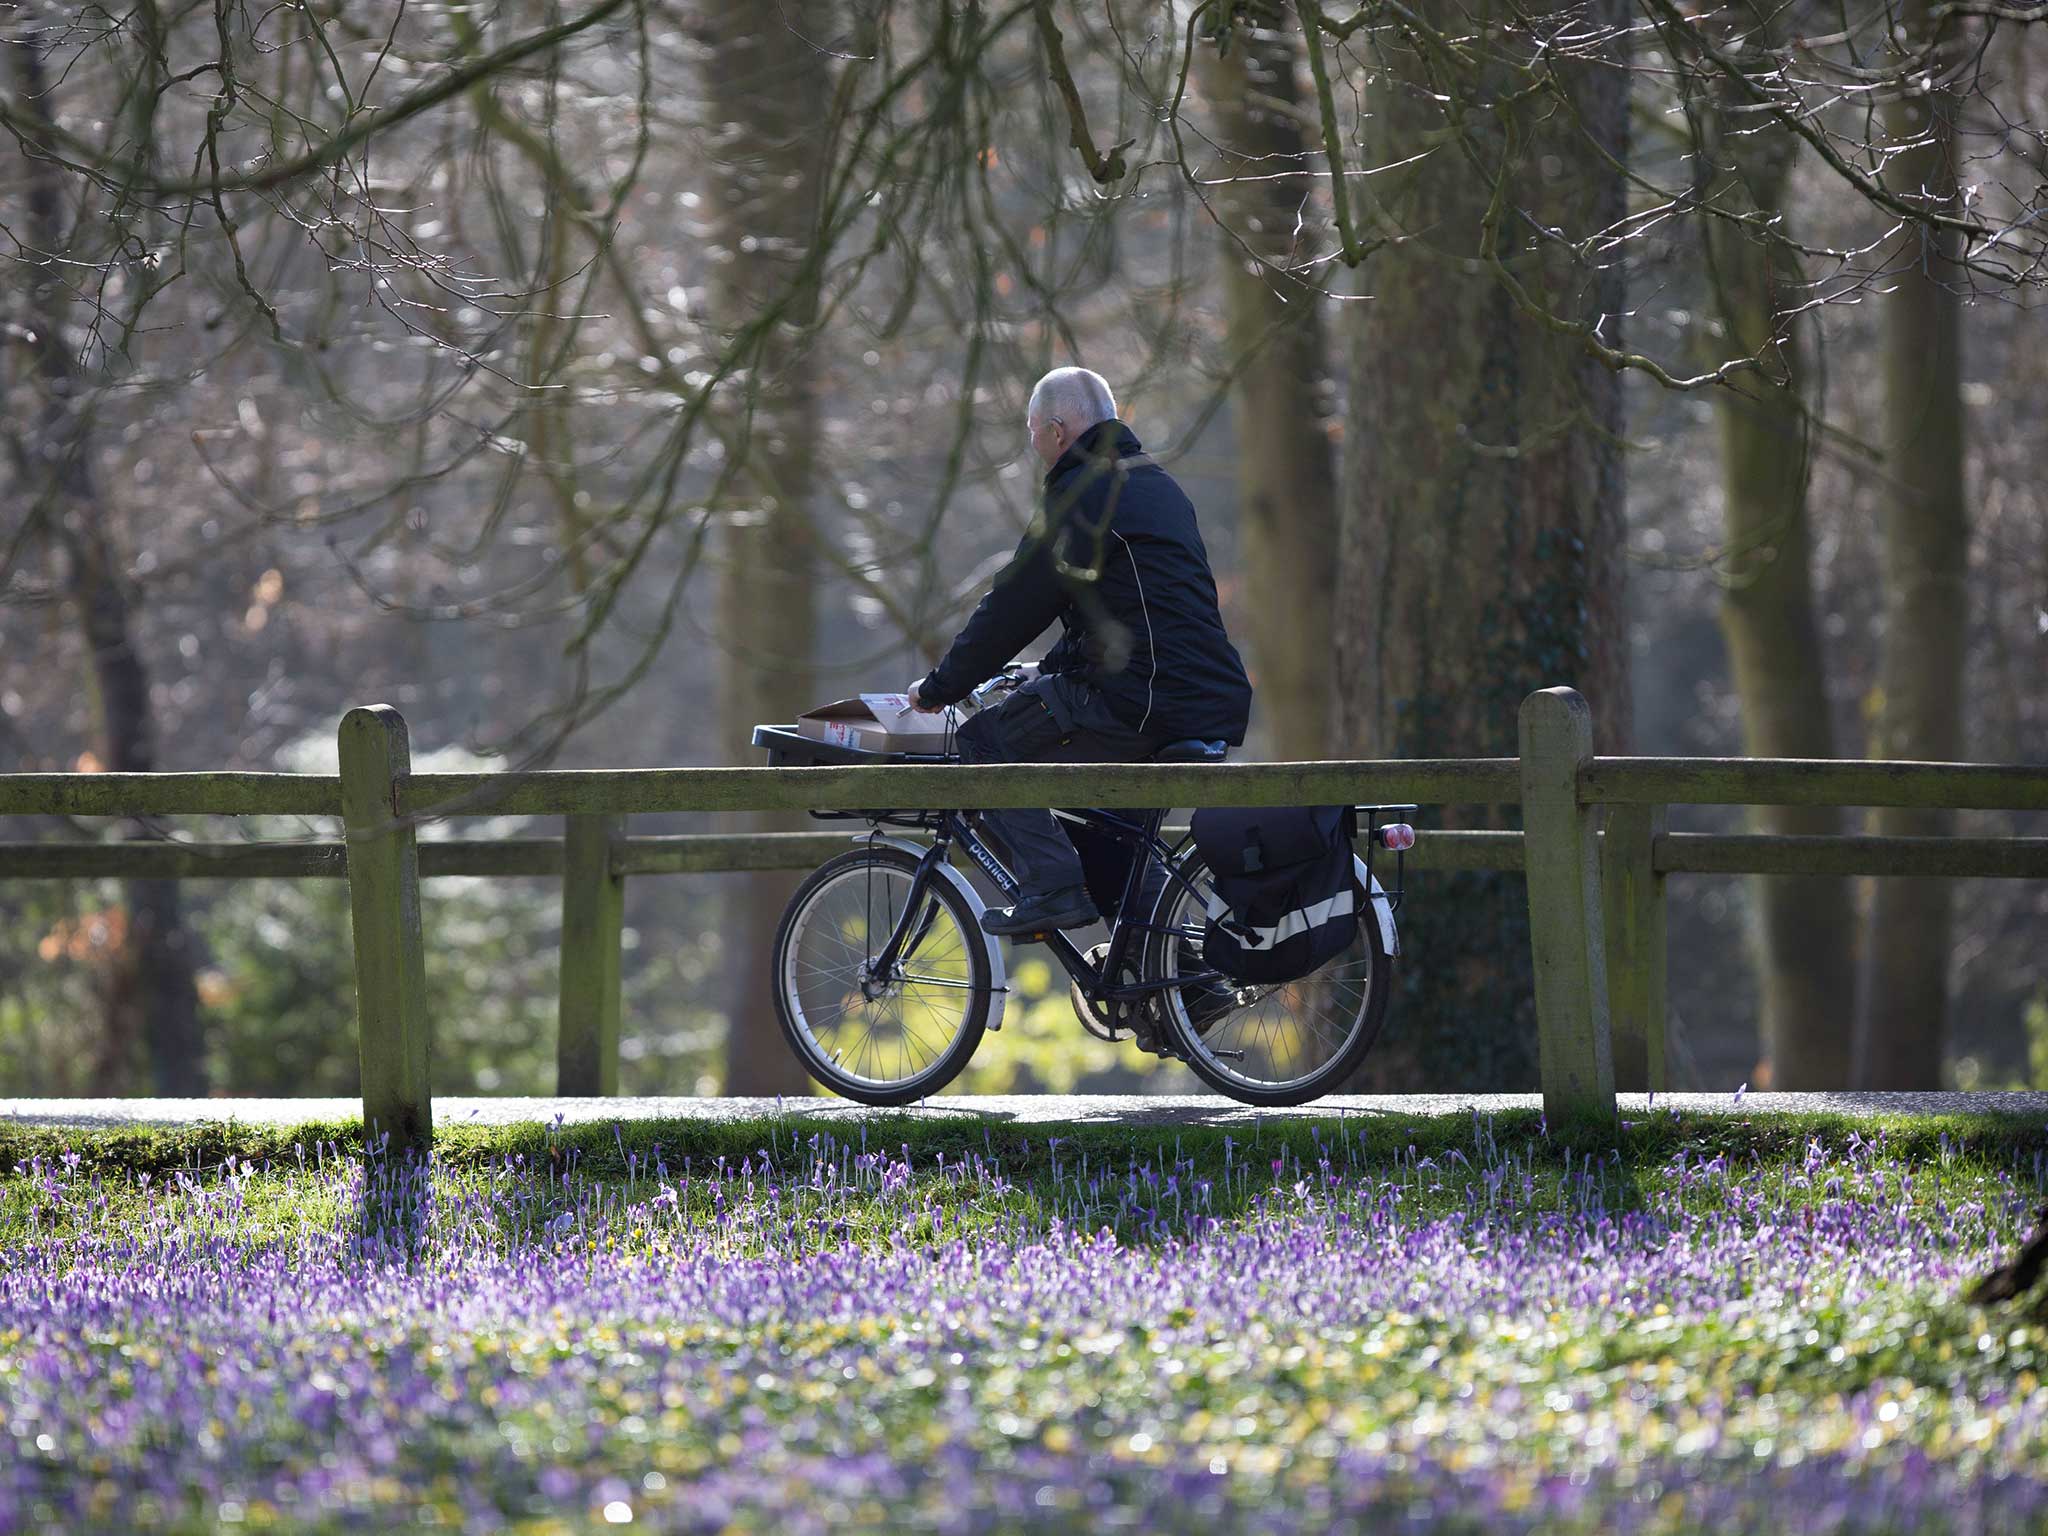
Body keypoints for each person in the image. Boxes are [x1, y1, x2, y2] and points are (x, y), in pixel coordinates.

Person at [907, 366, 1252, 937]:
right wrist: (1049, 669)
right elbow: (1123, 612)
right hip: (1202, 699)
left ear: (1058, 430)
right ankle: (1185, 991)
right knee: (1116, 845)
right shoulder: (1156, 485)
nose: (1033, 444)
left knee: (981, 745)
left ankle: (1053, 887)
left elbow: (1013, 606)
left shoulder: (1081, 496)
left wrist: (942, 686)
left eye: (1033, 430)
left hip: (1137, 699)